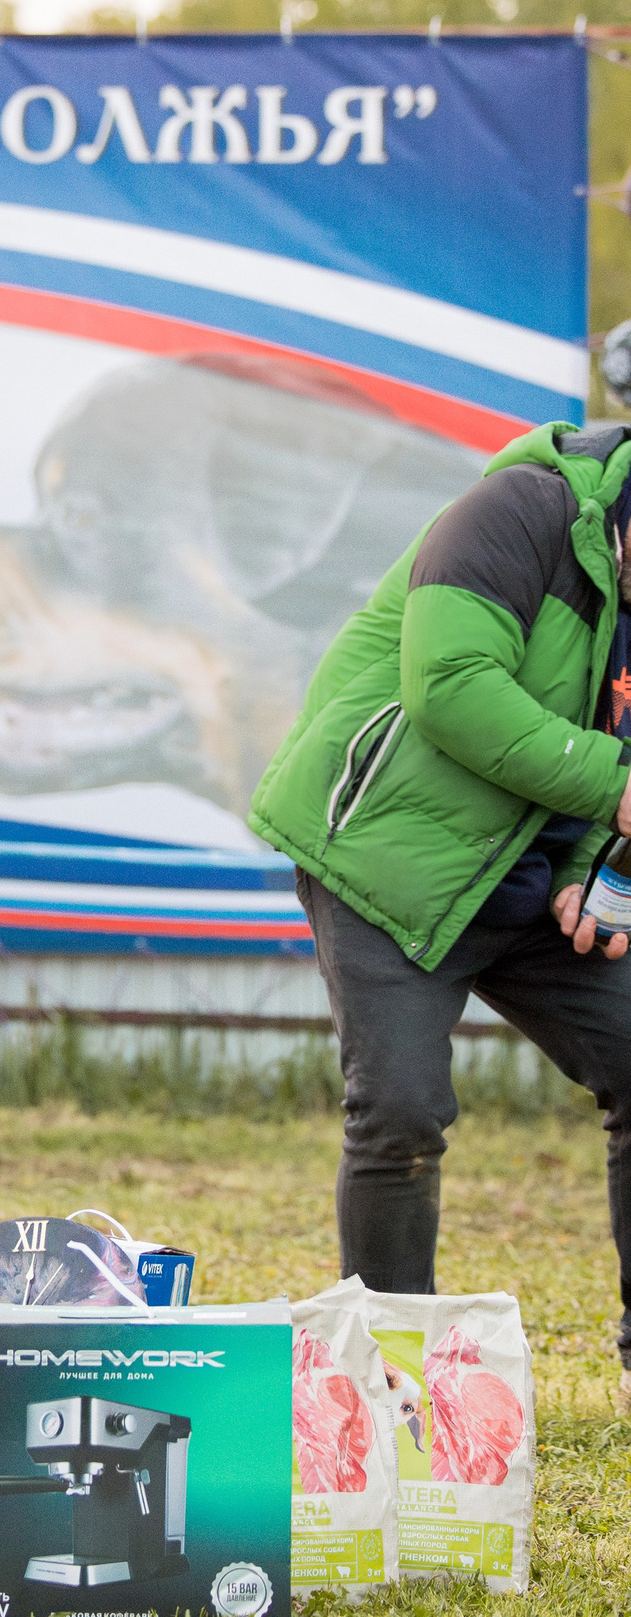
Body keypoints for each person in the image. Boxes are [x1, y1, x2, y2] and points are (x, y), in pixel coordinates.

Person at [250, 420, 631, 1402]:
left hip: (527, 878)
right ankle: (390, 1375)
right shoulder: (516, 510)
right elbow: (450, 690)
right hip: (388, 855)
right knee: (401, 1112)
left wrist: (595, 868)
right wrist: (616, 790)